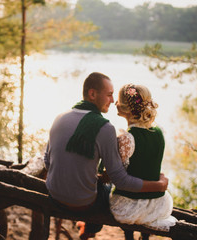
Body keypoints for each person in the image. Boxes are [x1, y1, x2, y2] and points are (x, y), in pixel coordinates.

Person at [44, 72, 169, 240]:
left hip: (53, 195)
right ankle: (90, 229)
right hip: (82, 205)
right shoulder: (105, 128)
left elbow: (47, 162)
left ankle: (87, 229)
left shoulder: (59, 117)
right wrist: (159, 186)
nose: (112, 100)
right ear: (93, 94)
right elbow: (120, 180)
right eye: (109, 95)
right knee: (107, 188)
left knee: (99, 181)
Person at [110, 84, 177, 240]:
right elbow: (151, 166)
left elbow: (118, 175)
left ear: (127, 108)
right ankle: (144, 238)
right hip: (158, 203)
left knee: (112, 192)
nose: (115, 103)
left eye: (118, 101)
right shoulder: (159, 131)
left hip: (129, 205)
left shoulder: (127, 138)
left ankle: (129, 236)